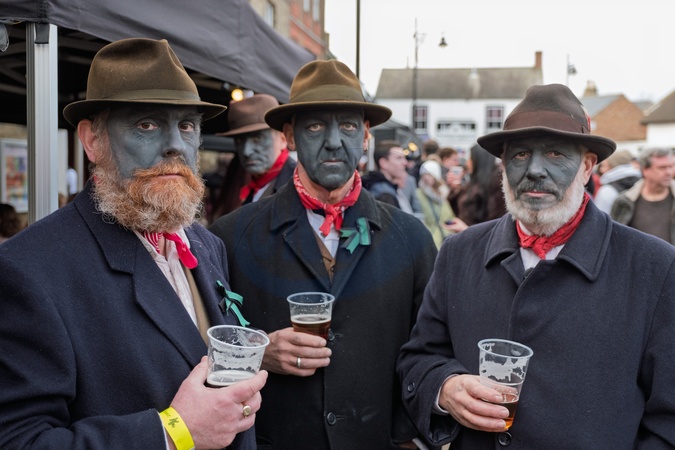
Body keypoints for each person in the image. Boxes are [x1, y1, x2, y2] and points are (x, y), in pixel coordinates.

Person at [0, 38, 267, 450]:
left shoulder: (206, 244)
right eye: (146, 124)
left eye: (187, 126)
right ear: (92, 140)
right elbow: (20, 440)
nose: (175, 144)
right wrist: (173, 432)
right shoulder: (29, 269)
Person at [397, 84, 675, 449]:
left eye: (556, 153)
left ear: (587, 167)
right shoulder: (459, 253)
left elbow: (668, 420)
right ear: (503, 166)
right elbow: (419, 359)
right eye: (520, 154)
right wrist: (445, 388)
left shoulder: (654, 267)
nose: (535, 171)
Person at [209, 59, 438, 449]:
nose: (333, 141)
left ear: (365, 136)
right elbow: (206, 350)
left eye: (348, 126)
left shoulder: (411, 239)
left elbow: (429, 350)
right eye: (315, 126)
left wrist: (406, 438)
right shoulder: (231, 237)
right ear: (290, 136)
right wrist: (259, 352)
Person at [211, 94, 296, 221]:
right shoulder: (250, 189)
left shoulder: (300, 185)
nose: (246, 151)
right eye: (239, 141)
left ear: (283, 138)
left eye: (258, 138)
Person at [611, 146, 675, 244]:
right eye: (662, 168)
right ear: (645, 170)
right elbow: (614, 239)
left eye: (671, 167)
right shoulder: (624, 201)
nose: (669, 172)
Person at [446, 143, 506, 234]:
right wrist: (456, 189)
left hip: (480, 238)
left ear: (479, 160)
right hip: (467, 236)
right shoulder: (474, 182)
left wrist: (466, 229)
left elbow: (496, 222)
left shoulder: (496, 183)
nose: (467, 163)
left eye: (470, 158)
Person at [416, 159, 456, 247]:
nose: (426, 177)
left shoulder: (443, 193)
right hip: (431, 239)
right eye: (424, 175)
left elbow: (450, 216)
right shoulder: (418, 194)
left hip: (447, 237)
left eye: (429, 174)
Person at [361, 140, 410, 209]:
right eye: (399, 158)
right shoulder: (384, 194)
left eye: (404, 158)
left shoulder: (374, 187)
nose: (405, 163)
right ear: (383, 163)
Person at [593, 149, 641, 214]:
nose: (601, 170)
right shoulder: (641, 183)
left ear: (613, 166)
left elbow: (599, 217)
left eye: (604, 166)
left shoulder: (607, 191)